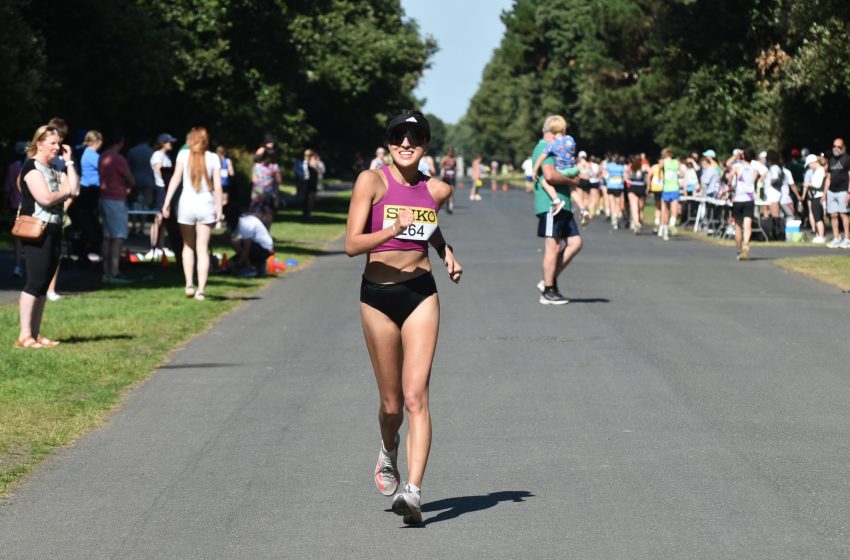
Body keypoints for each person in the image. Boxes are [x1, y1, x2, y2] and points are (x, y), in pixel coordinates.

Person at [344, 110, 461, 525]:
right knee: (392, 404)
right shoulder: (371, 182)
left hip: (421, 293)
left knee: (416, 397)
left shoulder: (439, 189)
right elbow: (352, 244)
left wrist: (445, 250)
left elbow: (427, 223)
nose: (405, 144)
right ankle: (387, 445)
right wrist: (392, 230)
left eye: (414, 137)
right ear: (389, 142)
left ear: (425, 145)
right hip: (377, 296)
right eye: (398, 136)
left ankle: (413, 492)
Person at [16, 125, 79, 348]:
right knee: (34, 282)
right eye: (52, 142)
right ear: (39, 143)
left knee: (43, 285)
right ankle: (24, 336)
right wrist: (64, 192)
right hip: (36, 230)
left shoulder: (53, 168)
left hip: (53, 228)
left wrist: (69, 162)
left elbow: (76, 189)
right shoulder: (32, 168)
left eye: (59, 143)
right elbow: (45, 198)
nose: (57, 147)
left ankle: (35, 333)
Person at [163, 127, 223, 300]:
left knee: (188, 246)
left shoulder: (183, 155)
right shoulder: (213, 158)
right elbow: (218, 187)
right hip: (206, 204)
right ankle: (201, 290)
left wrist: (166, 202)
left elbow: (175, 178)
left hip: (186, 204)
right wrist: (219, 208)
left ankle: (189, 284)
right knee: (202, 249)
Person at [533, 115, 583, 305]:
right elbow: (549, 175)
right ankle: (548, 289)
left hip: (564, 202)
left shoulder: (558, 149)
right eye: (561, 131)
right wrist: (571, 180)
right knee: (552, 246)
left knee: (575, 242)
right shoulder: (543, 148)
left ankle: (548, 278)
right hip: (550, 204)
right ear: (552, 133)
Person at [98, 132, 134, 283]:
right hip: (116, 199)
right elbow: (130, 179)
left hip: (104, 197)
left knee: (107, 237)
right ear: (120, 142)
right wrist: (129, 185)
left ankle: (106, 272)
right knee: (118, 237)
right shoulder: (118, 158)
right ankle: (115, 272)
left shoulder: (103, 156)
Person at [74, 130, 104, 263]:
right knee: (89, 221)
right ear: (97, 142)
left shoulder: (85, 152)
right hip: (90, 191)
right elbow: (104, 167)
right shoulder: (91, 155)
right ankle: (91, 248)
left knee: (87, 221)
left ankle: (85, 248)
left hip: (86, 190)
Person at [147, 133, 177, 260]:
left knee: (164, 219)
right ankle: (154, 246)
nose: (171, 144)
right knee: (158, 218)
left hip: (165, 188)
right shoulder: (157, 155)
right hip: (160, 187)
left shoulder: (166, 156)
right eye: (168, 142)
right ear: (162, 143)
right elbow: (159, 170)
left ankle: (161, 245)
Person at [728, 148, 759, 260]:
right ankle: (746, 244)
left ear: (743, 156)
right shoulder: (754, 169)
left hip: (738, 198)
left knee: (738, 226)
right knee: (747, 225)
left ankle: (739, 250)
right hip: (749, 198)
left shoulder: (737, 167)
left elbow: (730, 175)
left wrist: (730, 185)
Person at [225, 207, 274, 277]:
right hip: (256, 249)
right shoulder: (238, 223)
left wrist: (238, 263)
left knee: (235, 242)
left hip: (265, 249)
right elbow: (224, 236)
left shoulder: (246, 224)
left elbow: (246, 248)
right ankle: (253, 268)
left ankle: (249, 268)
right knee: (230, 263)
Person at [5, 142, 27, 278]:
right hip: (29, 205)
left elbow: (7, 189)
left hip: (15, 205)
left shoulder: (12, 167)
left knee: (18, 237)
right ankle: (30, 265)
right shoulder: (29, 167)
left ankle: (18, 265)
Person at [825, 138, 850, 248]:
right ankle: (836, 238)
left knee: (843, 214)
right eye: (834, 146)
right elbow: (829, 177)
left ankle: (847, 239)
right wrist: (825, 193)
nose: (836, 148)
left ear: (843, 147)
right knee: (833, 215)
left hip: (843, 191)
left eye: (839, 147)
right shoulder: (831, 159)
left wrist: (849, 192)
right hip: (831, 191)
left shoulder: (847, 159)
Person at [251, 148, 280, 228]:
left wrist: (260, 184)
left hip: (257, 193)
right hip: (269, 193)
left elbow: (254, 179)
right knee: (268, 213)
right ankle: (266, 230)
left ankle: (255, 230)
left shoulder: (257, 166)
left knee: (256, 212)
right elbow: (278, 180)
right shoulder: (274, 167)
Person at [802, 154, 826, 244]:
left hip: (818, 196)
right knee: (816, 216)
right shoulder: (816, 171)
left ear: (813, 162)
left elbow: (818, 184)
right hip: (814, 196)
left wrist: (808, 184)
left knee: (818, 217)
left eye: (809, 164)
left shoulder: (820, 170)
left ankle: (821, 236)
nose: (809, 166)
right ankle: (818, 234)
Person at [658, 148, 681, 240]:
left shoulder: (662, 162)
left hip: (666, 188)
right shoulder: (676, 162)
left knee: (665, 210)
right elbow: (681, 173)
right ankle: (672, 223)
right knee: (674, 208)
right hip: (675, 187)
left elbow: (659, 173)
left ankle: (665, 230)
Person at [624, 155, 647, 234]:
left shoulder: (630, 167)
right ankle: (638, 222)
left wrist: (628, 181)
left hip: (632, 187)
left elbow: (625, 176)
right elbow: (650, 171)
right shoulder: (643, 166)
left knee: (634, 206)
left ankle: (637, 223)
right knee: (640, 207)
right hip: (641, 186)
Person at [603, 154, 626, 229]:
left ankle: (613, 218)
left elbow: (604, 174)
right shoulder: (622, 166)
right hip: (618, 186)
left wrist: (607, 180)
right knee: (617, 203)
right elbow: (625, 177)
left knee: (611, 202)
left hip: (610, 186)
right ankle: (615, 217)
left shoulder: (609, 165)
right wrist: (622, 181)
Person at [439, 147, 457, 213]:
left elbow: (455, 167)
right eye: (450, 152)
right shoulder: (445, 158)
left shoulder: (454, 159)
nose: (451, 153)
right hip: (445, 177)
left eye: (452, 152)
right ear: (448, 152)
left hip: (452, 177)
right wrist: (445, 167)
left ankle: (450, 207)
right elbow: (440, 166)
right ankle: (444, 204)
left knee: (451, 192)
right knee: (445, 192)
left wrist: (455, 169)